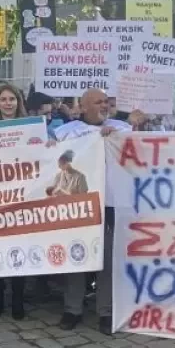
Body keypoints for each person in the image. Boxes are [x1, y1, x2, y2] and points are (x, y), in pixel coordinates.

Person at [54, 88, 132, 333]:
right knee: (77, 255)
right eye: (98, 102)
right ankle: (72, 309)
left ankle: (106, 311)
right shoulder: (66, 132)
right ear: (84, 107)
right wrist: (47, 146)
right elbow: (51, 158)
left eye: (106, 102)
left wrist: (115, 138)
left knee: (107, 259)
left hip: (109, 203)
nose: (104, 105)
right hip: (78, 204)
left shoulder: (122, 128)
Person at [0, 84, 29, 317]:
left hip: (22, 196)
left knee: (17, 248)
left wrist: (50, 144)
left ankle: (18, 299)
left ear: (18, 101)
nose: (8, 103)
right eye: (3, 99)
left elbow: (42, 152)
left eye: (12, 98)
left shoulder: (30, 127)